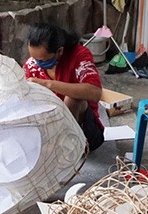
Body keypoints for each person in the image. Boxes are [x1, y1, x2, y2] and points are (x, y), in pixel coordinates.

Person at [24, 22, 104, 152]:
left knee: (72, 98)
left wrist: (48, 84)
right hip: (50, 130)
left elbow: (95, 93)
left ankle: (66, 149)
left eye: (43, 60)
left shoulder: (79, 56)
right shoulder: (32, 65)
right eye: (34, 58)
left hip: (86, 133)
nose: (37, 63)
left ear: (59, 51)